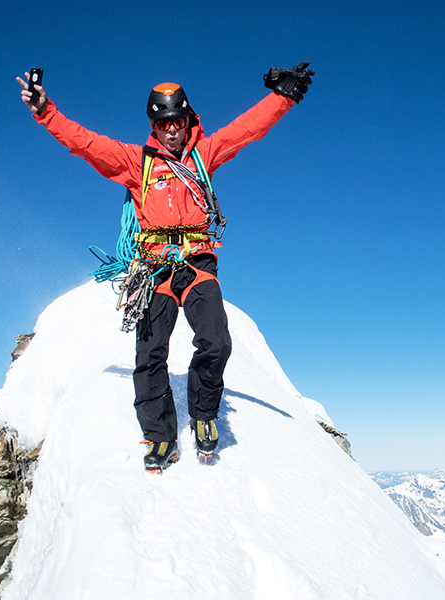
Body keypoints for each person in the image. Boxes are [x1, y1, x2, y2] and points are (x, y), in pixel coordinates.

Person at [19, 63, 314, 473]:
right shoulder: (134, 163)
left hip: (196, 263)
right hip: (154, 269)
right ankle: (160, 438)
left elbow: (247, 129)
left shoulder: (203, 155)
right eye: (162, 123)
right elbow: (84, 143)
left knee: (217, 342)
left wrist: (284, 96)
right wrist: (44, 109)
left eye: (176, 121)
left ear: (187, 119)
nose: (171, 130)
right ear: (153, 126)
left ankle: (204, 413)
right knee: (149, 355)